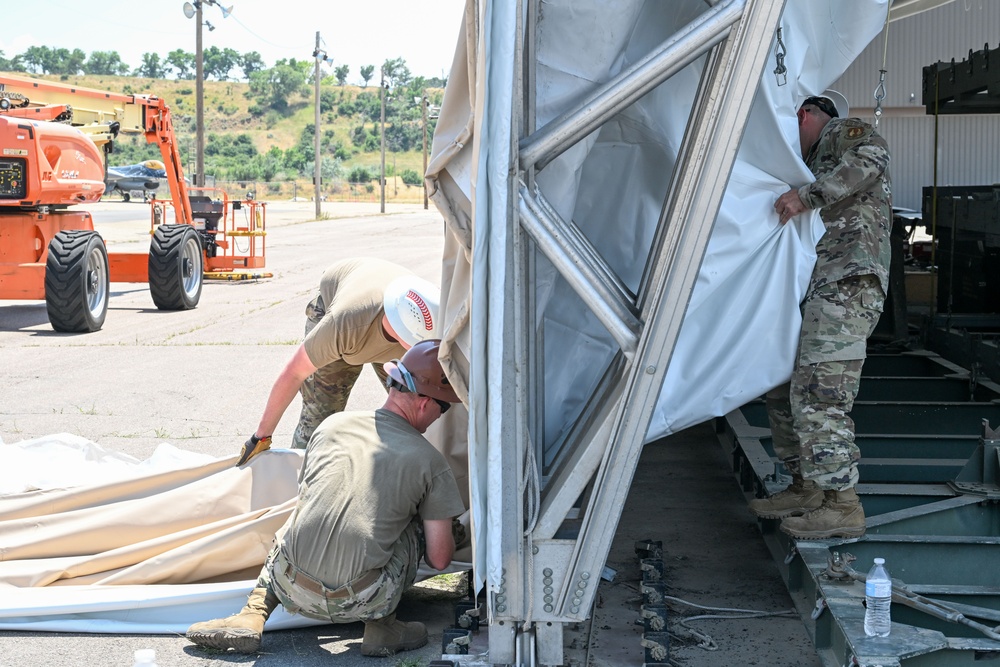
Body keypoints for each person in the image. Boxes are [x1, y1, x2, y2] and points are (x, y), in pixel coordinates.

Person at [186, 339, 467, 657]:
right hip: (363, 597)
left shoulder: (330, 426)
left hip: (291, 585)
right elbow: (440, 559)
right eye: (443, 408)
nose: (439, 417)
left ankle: (252, 615)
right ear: (425, 403)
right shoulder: (429, 460)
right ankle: (382, 628)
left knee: (301, 512)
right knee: (412, 521)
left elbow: (309, 495)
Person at [748, 91, 891, 540]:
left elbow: (875, 155)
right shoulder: (809, 159)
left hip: (848, 281)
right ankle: (806, 486)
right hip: (821, 283)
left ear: (804, 115)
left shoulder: (838, 134)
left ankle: (842, 504)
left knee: (819, 391)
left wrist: (809, 195)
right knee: (783, 385)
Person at [236, 257, 441, 465]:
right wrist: (261, 436)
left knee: (418, 411)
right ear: (404, 336)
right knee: (318, 422)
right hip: (340, 307)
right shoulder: (344, 324)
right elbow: (295, 372)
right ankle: (300, 488)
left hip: (384, 303)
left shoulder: (431, 321)